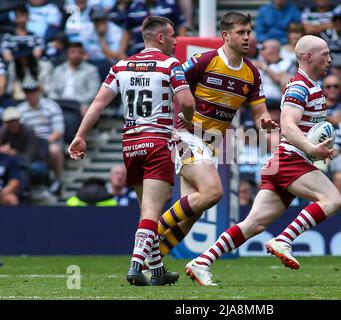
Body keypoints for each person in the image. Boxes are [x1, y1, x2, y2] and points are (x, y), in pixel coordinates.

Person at [184, 35, 341, 286]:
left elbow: (301, 127)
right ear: (309, 57)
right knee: (332, 200)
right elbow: (288, 126)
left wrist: (318, 147)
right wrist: (312, 148)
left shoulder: (312, 86)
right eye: (325, 54)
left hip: (284, 162)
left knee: (252, 225)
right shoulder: (300, 87)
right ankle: (284, 240)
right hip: (291, 161)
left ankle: (201, 261)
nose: (330, 59)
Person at [67, 16, 195, 286]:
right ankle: (136, 266)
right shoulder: (170, 64)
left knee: (147, 211)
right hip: (158, 143)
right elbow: (186, 101)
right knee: (151, 213)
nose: (176, 40)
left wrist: (80, 136)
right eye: (172, 35)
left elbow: (98, 104)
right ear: (160, 38)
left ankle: (157, 271)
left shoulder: (121, 66)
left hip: (131, 145)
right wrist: (187, 117)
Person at [154, 12, 277, 257]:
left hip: (210, 144)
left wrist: (265, 121)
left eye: (248, 33)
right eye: (241, 33)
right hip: (187, 136)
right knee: (213, 192)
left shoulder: (251, 73)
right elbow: (168, 83)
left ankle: (151, 261)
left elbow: (259, 112)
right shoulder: (204, 60)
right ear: (225, 35)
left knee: (191, 215)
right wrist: (177, 112)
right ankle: (147, 238)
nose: (246, 38)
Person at [16, 80, 65, 195]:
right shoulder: (20, 110)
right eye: (27, 92)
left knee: (55, 150)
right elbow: (20, 132)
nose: (30, 94)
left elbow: (58, 131)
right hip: (27, 144)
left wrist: (43, 143)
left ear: (38, 91)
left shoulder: (51, 106)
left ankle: (58, 180)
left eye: (32, 91)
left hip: (48, 141)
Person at [47, 42, 101, 116]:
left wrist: (74, 101)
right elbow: (51, 90)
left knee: (85, 111)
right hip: (60, 103)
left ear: (83, 54)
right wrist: (57, 100)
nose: (76, 55)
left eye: (79, 52)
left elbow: (93, 93)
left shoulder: (91, 70)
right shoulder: (59, 69)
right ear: (67, 54)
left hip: (80, 104)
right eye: (73, 52)